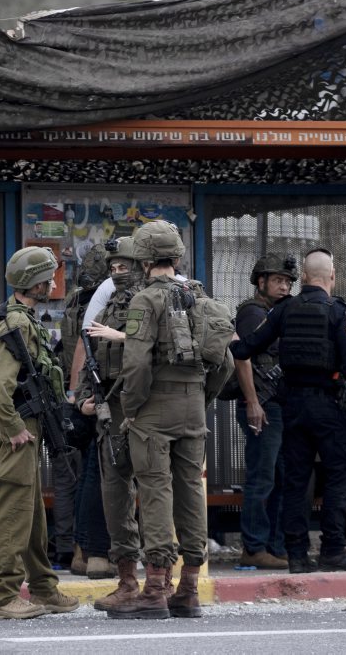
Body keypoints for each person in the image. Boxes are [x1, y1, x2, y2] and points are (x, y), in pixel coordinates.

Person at [230, 249, 346, 574]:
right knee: (339, 476)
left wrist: (228, 339)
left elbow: (245, 348)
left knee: (296, 480)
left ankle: (296, 555)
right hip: (330, 406)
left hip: (292, 407)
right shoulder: (339, 313)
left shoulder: (283, 310)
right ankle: (333, 550)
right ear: (332, 277)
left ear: (304, 278)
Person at [108, 220, 208, 620]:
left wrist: (132, 408)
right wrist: (202, 396)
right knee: (191, 492)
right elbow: (224, 360)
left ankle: (154, 588)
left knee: (154, 492)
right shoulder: (199, 296)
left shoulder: (145, 300)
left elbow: (135, 364)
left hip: (153, 409)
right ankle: (189, 588)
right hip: (194, 406)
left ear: (144, 259)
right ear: (178, 257)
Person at [0, 245, 79, 620]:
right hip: (19, 428)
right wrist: (14, 426)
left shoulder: (25, 319)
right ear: (33, 282)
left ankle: (43, 588)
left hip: (29, 426)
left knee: (32, 511)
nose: (53, 282)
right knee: (12, 509)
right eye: (47, 277)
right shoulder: (18, 323)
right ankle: (2, 596)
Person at [78, 236, 149, 611]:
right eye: (114, 268)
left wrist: (122, 336)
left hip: (149, 412)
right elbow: (90, 352)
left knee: (153, 495)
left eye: (125, 266)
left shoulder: (157, 299)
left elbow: (166, 348)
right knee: (115, 494)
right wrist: (84, 398)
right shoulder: (108, 306)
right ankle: (126, 581)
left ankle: (160, 581)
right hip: (112, 411)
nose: (118, 273)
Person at [234, 254, 297, 570]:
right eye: (277, 280)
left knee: (280, 476)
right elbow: (242, 358)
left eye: (287, 281)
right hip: (263, 405)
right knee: (262, 477)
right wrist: (253, 402)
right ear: (261, 282)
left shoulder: (278, 313)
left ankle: (274, 544)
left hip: (280, 405)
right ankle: (254, 547)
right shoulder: (252, 313)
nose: (284, 286)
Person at [54, 244, 110, 575]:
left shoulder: (74, 303)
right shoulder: (104, 304)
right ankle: (88, 549)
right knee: (96, 477)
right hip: (90, 398)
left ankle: (70, 549)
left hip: (72, 397)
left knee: (70, 479)